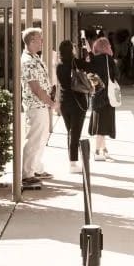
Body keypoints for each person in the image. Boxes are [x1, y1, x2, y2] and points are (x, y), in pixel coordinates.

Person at [20, 27, 58, 187]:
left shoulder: (34, 57)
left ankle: (36, 168)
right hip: (36, 106)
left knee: (41, 138)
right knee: (34, 139)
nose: (42, 42)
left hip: (41, 105)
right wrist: (51, 103)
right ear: (31, 41)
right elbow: (35, 88)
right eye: (39, 40)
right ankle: (27, 174)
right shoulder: (27, 61)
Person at [56, 39, 94, 173]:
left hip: (64, 102)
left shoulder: (59, 65)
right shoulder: (77, 63)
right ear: (71, 50)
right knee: (75, 132)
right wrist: (89, 51)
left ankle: (72, 159)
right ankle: (73, 163)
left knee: (71, 132)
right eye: (74, 48)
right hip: (77, 102)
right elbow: (93, 65)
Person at [88, 37, 118, 160]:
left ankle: (104, 149)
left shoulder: (93, 60)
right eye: (109, 45)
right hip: (108, 97)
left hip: (97, 96)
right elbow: (116, 75)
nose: (110, 47)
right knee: (102, 126)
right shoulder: (109, 60)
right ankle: (97, 152)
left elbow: (90, 77)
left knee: (100, 124)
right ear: (105, 47)